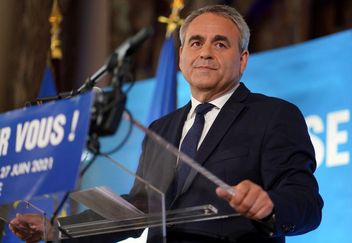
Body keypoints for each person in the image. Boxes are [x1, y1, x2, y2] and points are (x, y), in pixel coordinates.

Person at [10, 4, 323, 243]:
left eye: (220, 44)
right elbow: (138, 210)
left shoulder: (274, 116)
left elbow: (306, 201)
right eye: (196, 43)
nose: (206, 53)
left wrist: (270, 204)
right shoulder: (161, 129)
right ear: (182, 56)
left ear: (242, 60)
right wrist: (58, 229)